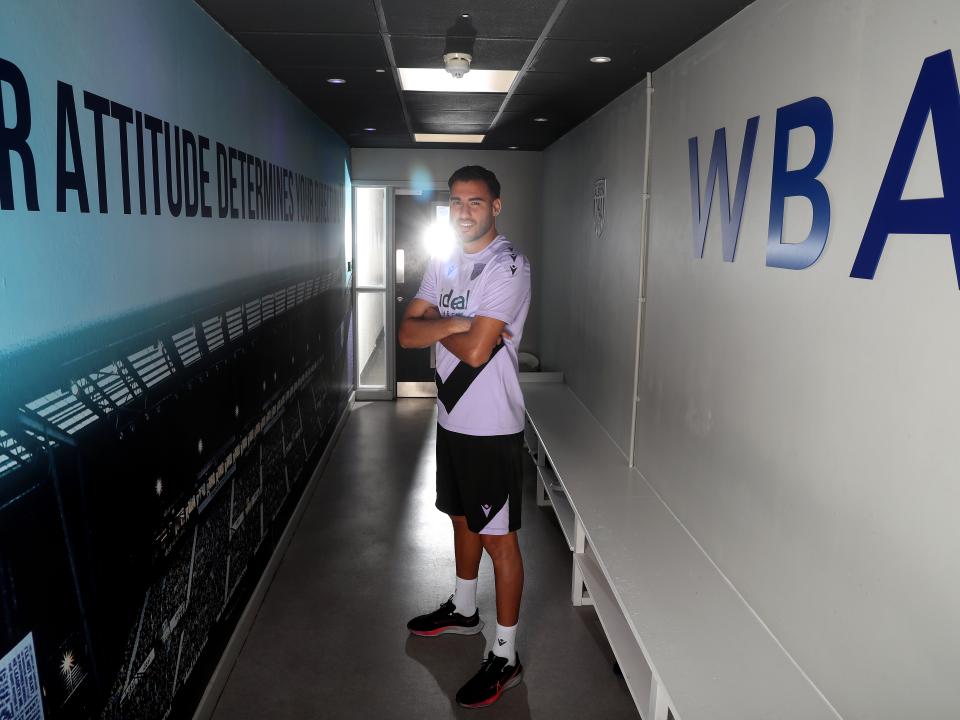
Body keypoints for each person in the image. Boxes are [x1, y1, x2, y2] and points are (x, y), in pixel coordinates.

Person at [398, 165, 531, 708]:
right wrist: (460, 324)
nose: (464, 211)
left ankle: (505, 654)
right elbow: (407, 332)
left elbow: (478, 352)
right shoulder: (445, 258)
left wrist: (443, 328)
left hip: (491, 426)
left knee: (499, 539)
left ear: (495, 206)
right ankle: (464, 608)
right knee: (460, 517)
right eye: (456, 201)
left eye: (475, 202)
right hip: (451, 418)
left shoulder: (509, 264)